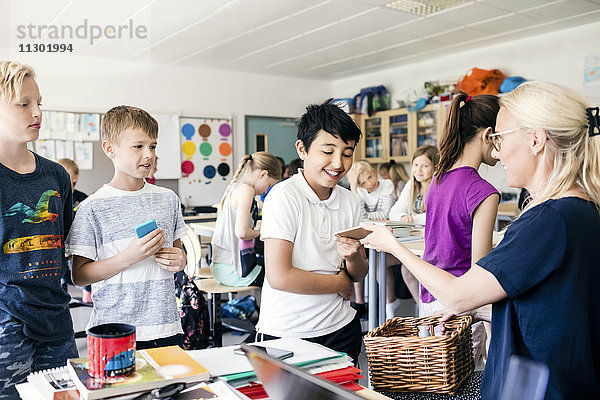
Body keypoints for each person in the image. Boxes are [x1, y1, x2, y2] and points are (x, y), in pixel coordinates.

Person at [363, 81, 600, 399]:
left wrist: (394, 246)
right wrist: (481, 311)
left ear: (536, 139)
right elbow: (552, 308)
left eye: (500, 137)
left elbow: (458, 295)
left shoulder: (548, 220)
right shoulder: (583, 209)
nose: (497, 150)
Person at [255, 100, 368, 364]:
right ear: (302, 149)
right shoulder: (284, 196)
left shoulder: (350, 201)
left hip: (341, 328)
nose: (338, 163)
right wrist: (339, 283)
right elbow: (280, 276)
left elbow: (359, 272)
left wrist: (352, 259)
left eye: (348, 153)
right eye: (327, 151)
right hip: (287, 332)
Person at [66, 105, 188, 350]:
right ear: (110, 149)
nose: (148, 155)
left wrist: (181, 260)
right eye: (138, 146)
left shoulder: (168, 199)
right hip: (114, 331)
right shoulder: (92, 207)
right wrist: (129, 257)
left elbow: (179, 254)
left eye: (152, 146)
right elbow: (79, 276)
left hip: (166, 327)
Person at [0, 61, 77, 398]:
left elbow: (70, 248)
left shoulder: (56, 176)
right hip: (6, 326)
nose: (37, 112)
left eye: (39, 103)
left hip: (57, 321)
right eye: (23, 103)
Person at [420, 92, 501, 363]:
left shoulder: (437, 179)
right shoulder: (484, 191)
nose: (502, 151)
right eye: (500, 138)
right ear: (488, 134)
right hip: (461, 305)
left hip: (430, 300)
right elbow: (481, 270)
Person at [211, 152, 281, 287]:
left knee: (276, 272)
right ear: (263, 174)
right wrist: (262, 231)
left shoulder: (236, 187)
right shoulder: (246, 190)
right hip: (233, 270)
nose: (267, 189)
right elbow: (242, 232)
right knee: (280, 277)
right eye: (270, 184)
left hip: (221, 267)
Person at [348, 160, 398, 319]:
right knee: (355, 255)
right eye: (363, 182)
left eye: (370, 177)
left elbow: (385, 214)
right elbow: (358, 217)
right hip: (368, 236)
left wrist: (365, 218)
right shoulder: (359, 191)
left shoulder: (387, 184)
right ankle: (360, 302)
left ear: (374, 172)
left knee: (377, 264)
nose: (369, 183)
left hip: (387, 236)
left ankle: (389, 302)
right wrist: (354, 188)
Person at [389, 145, 439, 303]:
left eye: (425, 166)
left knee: (407, 269)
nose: (419, 170)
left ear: (435, 167)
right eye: (416, 165)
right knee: (378, 262)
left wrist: (411, 218)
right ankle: (391, 306)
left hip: (432, 243)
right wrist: (403, 215)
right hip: (413, 241)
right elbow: (394, 212)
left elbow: (434, 218)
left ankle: (424, 312)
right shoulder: (412, 184)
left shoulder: (439, 185)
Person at [56, 158, 92, 303]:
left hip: (79, 241)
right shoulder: (55, 198)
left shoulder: (82, 199)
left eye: (66, 173)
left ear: (75, 177)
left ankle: (88, 291)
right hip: (60, 242)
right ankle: (62, 286)